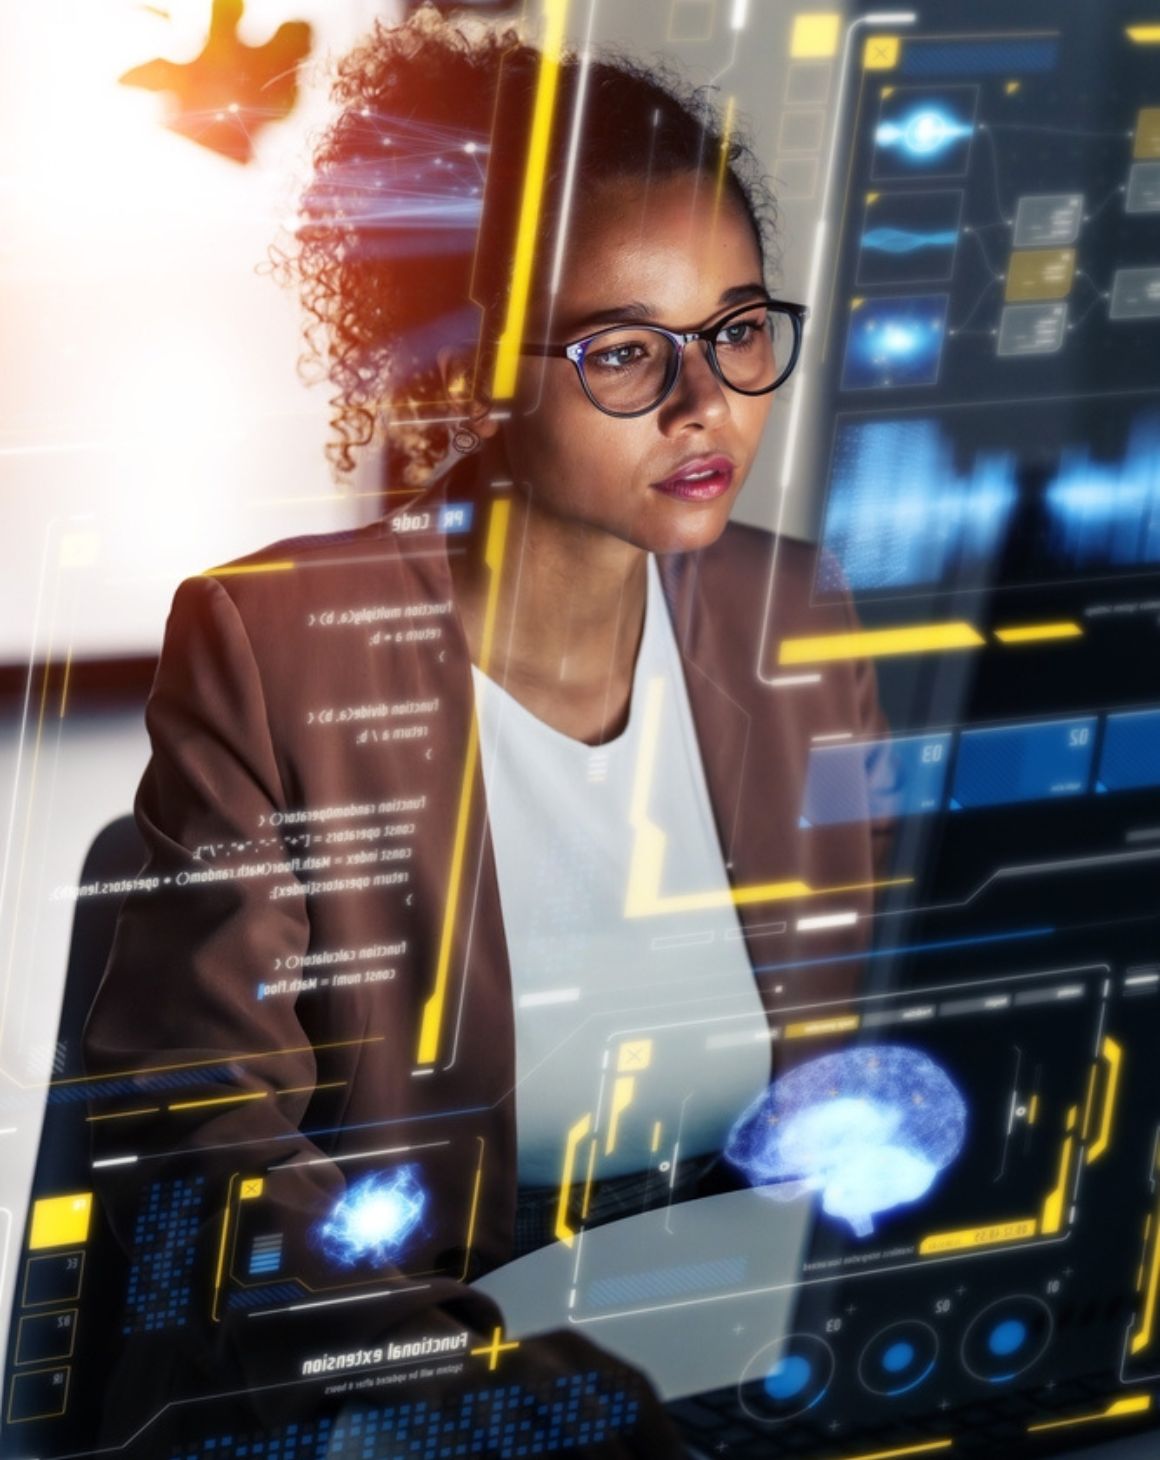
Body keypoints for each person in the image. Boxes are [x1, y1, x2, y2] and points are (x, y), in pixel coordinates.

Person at [82, 7, 891, 1454]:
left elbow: (867, 1041)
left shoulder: (796, 622)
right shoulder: (277, 646)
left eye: (737, 329)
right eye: (627, 353)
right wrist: (481, 1387)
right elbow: (200, 1129)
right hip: (426, 1381)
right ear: (468, 368)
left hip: (757, 1373)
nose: (708, 401)